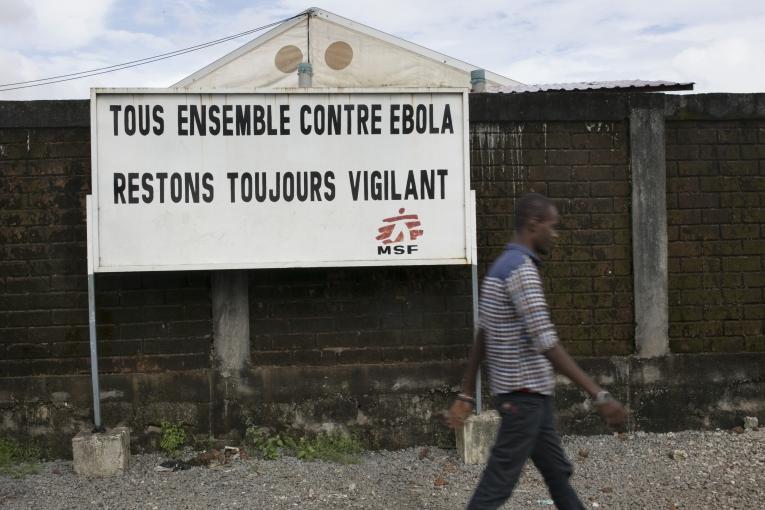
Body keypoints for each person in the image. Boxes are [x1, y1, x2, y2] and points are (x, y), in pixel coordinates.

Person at [447, 192, 627, 510]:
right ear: (534, 224)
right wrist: (598, 395)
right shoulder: (521, 271)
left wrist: (465, 393)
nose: (554, 236)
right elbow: (546, 342)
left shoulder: (499, 267)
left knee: (558, 473)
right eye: (552, 227)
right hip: (523, 398)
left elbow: (483, 335)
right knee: (497, 483)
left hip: (529, 397)